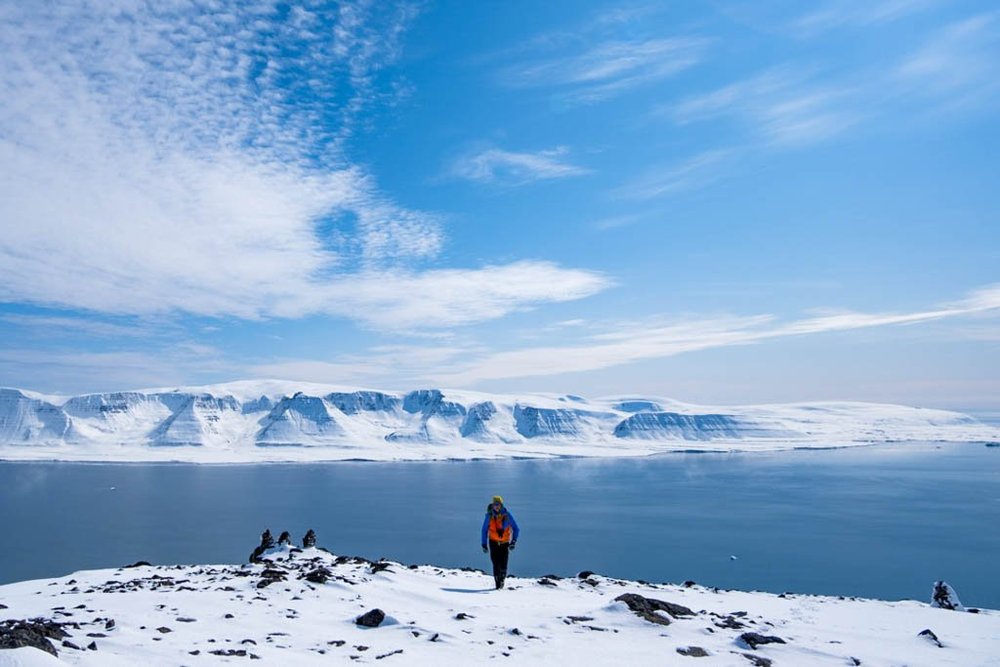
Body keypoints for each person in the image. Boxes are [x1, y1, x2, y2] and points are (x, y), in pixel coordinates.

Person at [481, 495, 519, 589]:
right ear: (492, 505)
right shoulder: (489, 516)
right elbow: (484, 530)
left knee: (503, 564)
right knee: (496, 563)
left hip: (504, 543)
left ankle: (502, 580)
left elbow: (516, 528)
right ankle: (498, 585)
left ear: (501, 505)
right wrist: (484, 544)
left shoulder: (507, 516)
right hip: (493, 542)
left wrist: (513, 541)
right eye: (495, 504)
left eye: (498, 504)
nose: (497, 506)